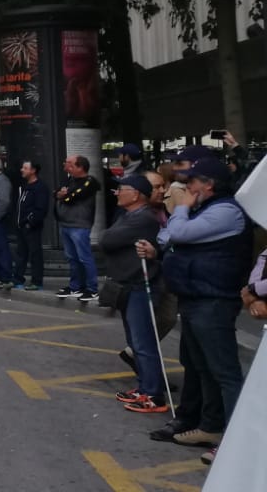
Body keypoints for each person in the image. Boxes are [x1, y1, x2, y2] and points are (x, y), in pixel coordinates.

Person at [139, 157, 252, 452]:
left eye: (192, 182)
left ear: (209, 185)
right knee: (201, 367)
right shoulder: (207, 209)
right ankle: (210, 427)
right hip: (196, 297)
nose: (186, 187)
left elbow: (177, 233)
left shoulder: (225, 211)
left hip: (212, 300)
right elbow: (170, 239)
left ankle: (236, 442)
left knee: (223, 372)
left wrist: (183, 208)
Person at [103, 174, 168, 414]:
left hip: (140, 284)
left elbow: (107, 239)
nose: (117, 193)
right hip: (127, 284)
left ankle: (153, 394)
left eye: (122, 189)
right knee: (135, 340)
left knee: (143, 342)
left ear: (136, 194)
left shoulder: (143, 219)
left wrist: (110, 236)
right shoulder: (128, 215)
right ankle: (144, 387)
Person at [54, 155, 101, 302]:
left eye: (69, 163)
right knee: (72, 257)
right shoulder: (70, 179)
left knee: (84, 257)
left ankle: (92, 288)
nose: (65, 165)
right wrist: (60, 195)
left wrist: (62, 196)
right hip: (66, 223)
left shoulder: (89, 182)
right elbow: (56, 192)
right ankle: (76, 286)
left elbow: (71, 197)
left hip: (79, 225)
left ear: (80, 167)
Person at [14, 161, 49, 290]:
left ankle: (37, 281)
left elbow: (41, 208)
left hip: (31, 226)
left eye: (25, 168)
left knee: (35, 254)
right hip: (21, 225)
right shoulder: (24, 186)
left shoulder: (40, 187)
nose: (22, 170)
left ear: (33, 170)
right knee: (21, 253)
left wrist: (30, 222)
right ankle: (17, 278)